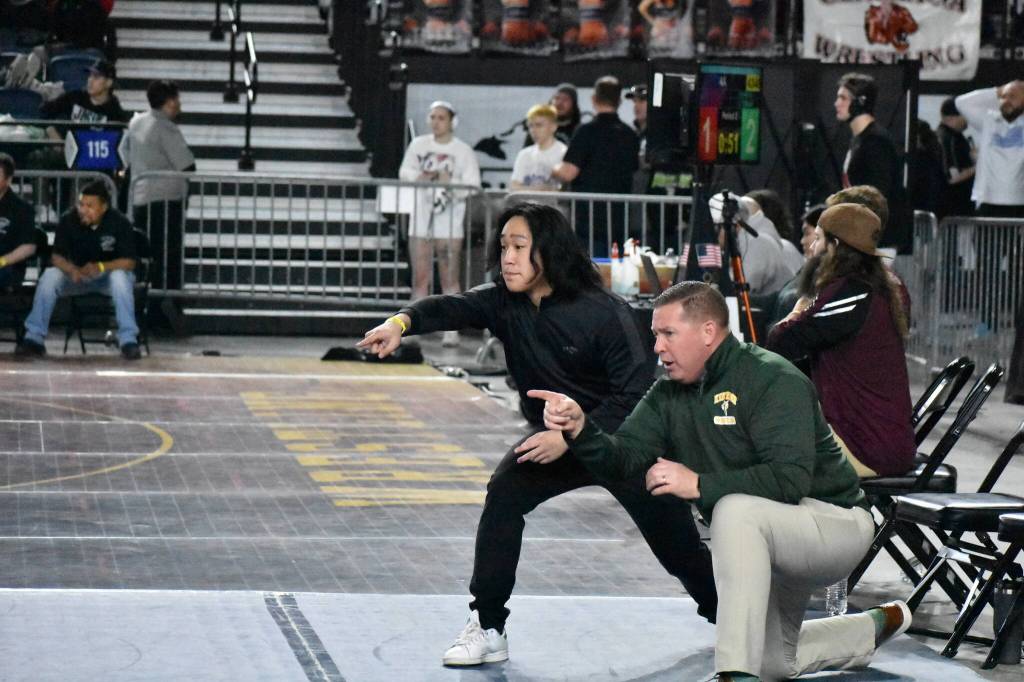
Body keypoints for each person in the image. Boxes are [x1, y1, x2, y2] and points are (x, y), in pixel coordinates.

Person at [357, 202, 717, 667]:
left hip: (625, 443)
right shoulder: (503, 303)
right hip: (555, 440)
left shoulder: (606, 312)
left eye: (519, 247)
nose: (507, 257)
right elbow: (449, 306)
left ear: (547, 252)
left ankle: (730, 614)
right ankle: (487, 626)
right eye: (504, 246)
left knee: (679, 549)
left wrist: (571, 437)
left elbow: (636, 398)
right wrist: (398, 324)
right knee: (505, 492)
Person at [531, 281, 911, 682]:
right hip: (767, 532)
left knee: (733, 509)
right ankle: (870, 627)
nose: (657, 347)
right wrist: (580, 429)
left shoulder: (772, 378)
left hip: (835, 525)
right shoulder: (668, 394)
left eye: (668, 334)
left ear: (708, 332)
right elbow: (620, 459)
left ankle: (733, 673)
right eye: (655, 335)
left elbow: (789, 480)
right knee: (774, 662)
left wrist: (698, 483)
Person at [766, 204, 915, 478]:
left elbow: (782, 341)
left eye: (818, 238)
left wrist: (800, 306)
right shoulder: (885, 285)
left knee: (752, 447)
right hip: (879, 438)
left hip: (864, 445)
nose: (811, 246)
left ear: (834, 245)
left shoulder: (852, 292)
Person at [15, 180, 142, 360]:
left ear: (104, 207)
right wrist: (71, 269)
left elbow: (130, 262)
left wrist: (101, 266)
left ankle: (129, 340)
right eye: (81, 204)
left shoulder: (119, 222)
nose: (83, 210)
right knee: (50, 275)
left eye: (90, 206)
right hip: (77, 276)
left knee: (121, 277)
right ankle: (34, 337)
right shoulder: (68, 219)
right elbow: (56, 256)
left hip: (107, 277)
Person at [397, 100, 482, 346]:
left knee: (449, 277)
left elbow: (473, 184)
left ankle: (451, 329)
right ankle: (412, 326)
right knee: (420, 278)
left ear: (451, 121)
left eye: (441, 117)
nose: (436, 122)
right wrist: (422, 177)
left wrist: (450, 182)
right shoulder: (418, 145)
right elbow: (405, 172)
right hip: (421, 220)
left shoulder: (463, 150)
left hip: (449, 222)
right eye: (432, 117)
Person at [553, 76, 640, 257]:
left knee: (587, 273)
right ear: (620, 101)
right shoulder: (630, 135)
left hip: (588, 220)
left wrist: (553, 168)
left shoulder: (586, 132)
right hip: (619, 218)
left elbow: (568, 173)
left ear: (594, 99)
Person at [125, 80, 196, 291]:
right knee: (166, 255)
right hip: (165, 201)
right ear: (169, 102)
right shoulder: (165, 128)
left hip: (140, 198)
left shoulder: (137, 122)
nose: (179, 104)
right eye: (177, 99)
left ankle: (145, 298)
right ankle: (165, 301)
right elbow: (187, 165)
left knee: (147, 254)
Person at [834, 72, 910, 252]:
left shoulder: (876, 142)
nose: (837, 103)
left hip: (877, 241)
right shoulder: (861, 139)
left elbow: (877, 195)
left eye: (843, 98)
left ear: (860, 101)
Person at [954, 79, 1024, 217]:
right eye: (1003, 97)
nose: (1006, 100)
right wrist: (998, 90)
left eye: (1013, 96)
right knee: (985, 239)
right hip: (987, 199)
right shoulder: (989, 120)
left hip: (1019, 201)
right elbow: (961, 102)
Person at [0, 153, 37, 291]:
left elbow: (28, 247)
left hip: (8, 267)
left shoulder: (22, 209)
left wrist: (2, 261)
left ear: (8, 179)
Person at [508, 104, 566, 191]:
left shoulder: (563, 152)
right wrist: (536, 190)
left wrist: (526, 190)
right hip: (526, 203)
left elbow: (562, 189)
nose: (533, 130)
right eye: (530, 126)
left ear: (553, 127)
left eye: (539, 125)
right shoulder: (524, 154)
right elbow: (513, 186)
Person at [936, 97, 975, 217]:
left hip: (956, 208)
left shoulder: (952, 137)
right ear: (952, 117)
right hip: (956, 207)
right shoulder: (949, 139)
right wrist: (978, 166)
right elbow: (952, 176)